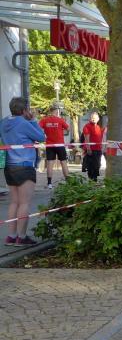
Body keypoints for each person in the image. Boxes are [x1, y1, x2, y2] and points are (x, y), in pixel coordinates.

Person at [1, 97, 45, 246]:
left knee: (14, 202)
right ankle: (21, 236)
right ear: (24, 110)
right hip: (25, 165)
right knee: (24, 203)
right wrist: (33, 120)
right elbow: (41, 137)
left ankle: (11, 236)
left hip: (9, 165)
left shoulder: (4, 122)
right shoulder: (24, 123)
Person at [39, 104, 70, 189]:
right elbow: (68, 129)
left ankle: (49, 184)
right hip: (60, 144)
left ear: (50, 111)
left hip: (50, 144)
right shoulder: (60, 120)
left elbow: (38, 128)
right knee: (63, 162)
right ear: (56, 111)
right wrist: (61, 131)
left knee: (50, 163)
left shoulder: (44, 120)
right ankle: (69, 182)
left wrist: (45, 133)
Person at [82, 112, 104, 181]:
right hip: (91, 150)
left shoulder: (98, 127)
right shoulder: (87, 126)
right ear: (90, 119)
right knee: (91, 167)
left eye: (95, 118)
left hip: (98, 150)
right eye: (92, 118)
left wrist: (102, 148)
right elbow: (86, 138)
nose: (93, 119)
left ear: (98, 119)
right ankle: (91, 181)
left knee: (97, 166)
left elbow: (100, 138)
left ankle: (95, 180)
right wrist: (88, 149)